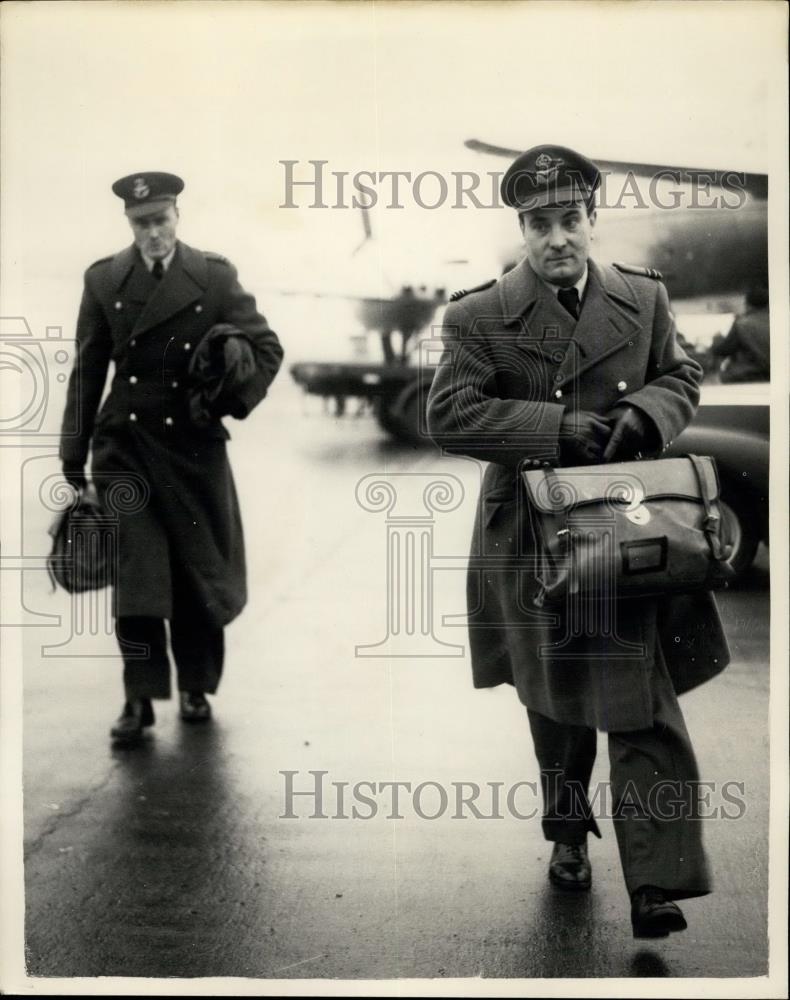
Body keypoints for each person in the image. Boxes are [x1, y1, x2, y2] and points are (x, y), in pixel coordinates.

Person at [426, 145, 730, 938]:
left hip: (626, 529)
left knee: (640, 703)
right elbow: (448, 415)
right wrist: (552, 427)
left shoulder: (642, 298)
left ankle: (656, 884)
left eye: (571, 219)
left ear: (593, 220)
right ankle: (566, 833)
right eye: (540, 223)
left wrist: (649, 414)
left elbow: (683, 375)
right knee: (555, 702)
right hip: (532, 536)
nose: (558, 237)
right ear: (521, 229)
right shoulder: (478, 315)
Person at [59, 172, 283, 743]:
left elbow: (266, 346)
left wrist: (230, 395)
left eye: (161, 221)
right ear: (128, 225)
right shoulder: (105, 279)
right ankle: (138, 699)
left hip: (192, 446)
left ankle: (195, 687)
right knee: (138, 579)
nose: (153, 233)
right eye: (141, 224)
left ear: (177, 216)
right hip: (125, 449)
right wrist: (73, 458)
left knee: (194, 574)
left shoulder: (213, 276)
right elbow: (88, 371)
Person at [710, 285, 770, 382]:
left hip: (751, 375)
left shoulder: (741, 324)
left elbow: (722, 350)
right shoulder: (780, 320)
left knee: (719, 376)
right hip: (775, 375)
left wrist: (717, 338)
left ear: (747, 304)